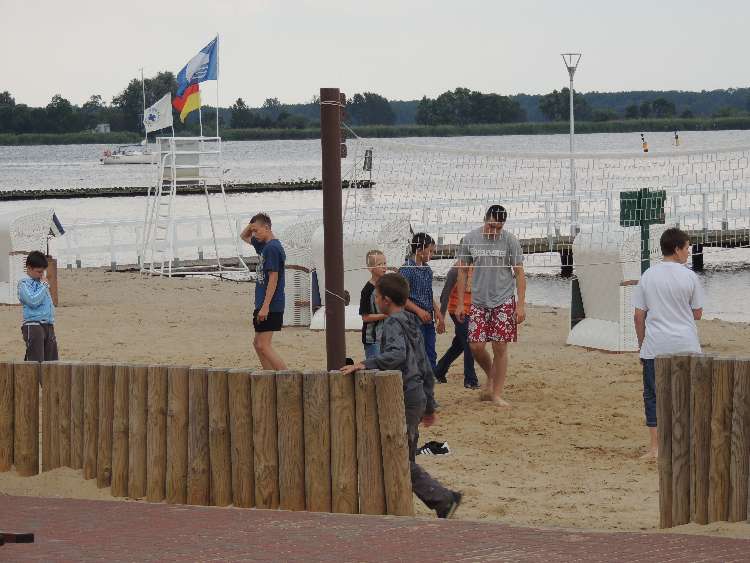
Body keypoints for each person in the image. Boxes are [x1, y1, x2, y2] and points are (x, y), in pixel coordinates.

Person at [341, 273, 462, 518]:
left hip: (405, 396)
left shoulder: (393, 323)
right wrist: (428, 405)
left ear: (385, 300)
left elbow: (397, 355)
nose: (376, 300)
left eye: (377, 297)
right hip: (417, 396)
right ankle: (423, 505)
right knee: (403, 455)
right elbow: (424, 363)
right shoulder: (410, 320)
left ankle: (444, 499)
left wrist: (366, 363)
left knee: (398, 457)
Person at [633, 227, 704, 459]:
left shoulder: (648, 275)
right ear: (676, 249)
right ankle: (685, 444)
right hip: (686, 343)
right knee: (687, 394)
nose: (688, 252)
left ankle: (655, 447)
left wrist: (641, 344)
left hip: (656, 345)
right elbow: (697, 313)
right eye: (687, 248)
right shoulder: (690, 276)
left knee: (653, 396)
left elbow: (638, 316)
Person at [455, 205, 526, 407]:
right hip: (479, 301)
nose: (494, 231)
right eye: (491, 226)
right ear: (485, 219)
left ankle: (496, 394)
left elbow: (519, 273)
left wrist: (521, 305)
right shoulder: (470, 239)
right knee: (476, 346)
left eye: (499, 227)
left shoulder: (510, 240)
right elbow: (462, 271)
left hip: (503, 299)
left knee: (499, 346)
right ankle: (491, 376)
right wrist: (460, 303)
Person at [240, 213, 287, 370]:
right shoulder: (263, 246)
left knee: (263, 345)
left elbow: (274, 278)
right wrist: (252, 225)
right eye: (253, 231)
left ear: (266, 228)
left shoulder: (272, 248)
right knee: (257, 344)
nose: (254, 234)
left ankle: (286, 376)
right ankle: (268, 376)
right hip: (262, 302)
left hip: (271, 304)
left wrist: (266, 306)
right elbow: (244, 236)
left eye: (256, 230)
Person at [399, 233, 445, 371]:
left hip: (428, 319)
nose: (432, 254)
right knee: (417, 354)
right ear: (419, 250)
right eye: (430, 251)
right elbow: (401, 298)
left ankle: (430, 377)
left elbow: (428, 293)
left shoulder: (427, 270)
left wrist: (437, 311)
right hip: (412, 320)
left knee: (431, 352)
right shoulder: (406, 269)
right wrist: (418, 311)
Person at [434, 262, 478, 389]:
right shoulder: (455, 270)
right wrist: (441, 318)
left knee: (459, 345)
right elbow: (445, 295)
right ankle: (470, 379)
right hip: (457, 311)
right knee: (470, 342)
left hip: (472, 311)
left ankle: (439, 371)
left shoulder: (478, 266)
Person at [18, 251, 58, 365]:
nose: (42, 274)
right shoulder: (23, 284)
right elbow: (33, 301)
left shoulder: (41, 283)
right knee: (36, 362)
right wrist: (44, 286)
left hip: (48, 324)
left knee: (52, 362)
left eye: (43, 271)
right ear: (29, 268)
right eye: (39, 272)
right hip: (33, 325)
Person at [359, 249, 388, 360]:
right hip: (372, 339)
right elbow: (365, 317)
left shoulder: (387, 285)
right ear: (370, 268)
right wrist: (385, 315)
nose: (384, 267)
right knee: (374, 367)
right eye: (379, 264)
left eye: (385, 263)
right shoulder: (367, 290)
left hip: (387, 337)